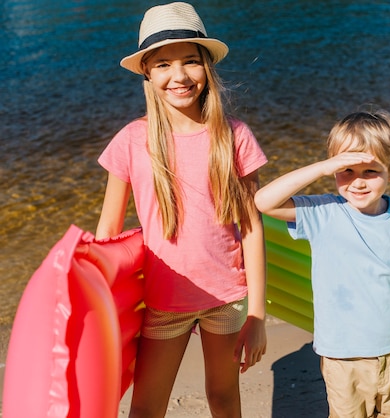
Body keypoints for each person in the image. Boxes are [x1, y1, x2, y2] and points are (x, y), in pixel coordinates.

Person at [95, 3, 267, 417]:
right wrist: (95, 301)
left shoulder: (233, 136)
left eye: (191, 61)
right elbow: (108, 230)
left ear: (206, 66)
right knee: (146, 408)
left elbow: (252, 229)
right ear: (147, 74)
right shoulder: (132, 141)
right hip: (160, 301)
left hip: (226, 297)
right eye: (163, 65)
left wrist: (258, 314)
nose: (179, 76)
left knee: (224, 397)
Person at [255, 110, 390, 418]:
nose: (358, 183)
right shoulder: (324, 212)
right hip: (342, 354)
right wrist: (323, 168)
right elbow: (264, 201)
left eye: (370, 172)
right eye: (346, 171)